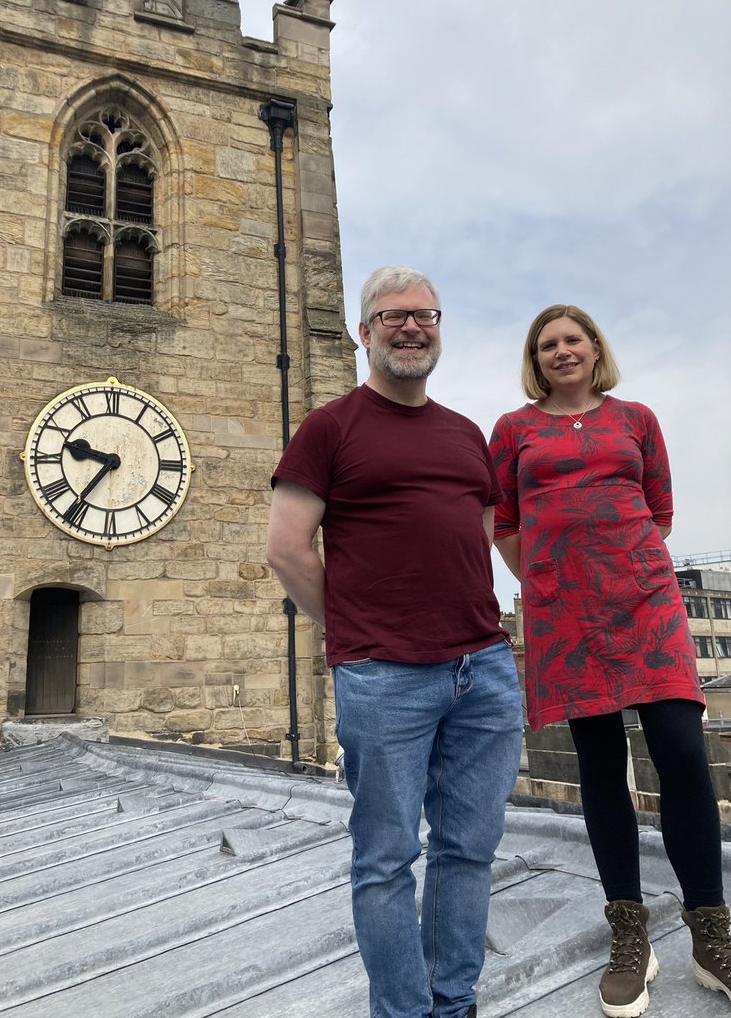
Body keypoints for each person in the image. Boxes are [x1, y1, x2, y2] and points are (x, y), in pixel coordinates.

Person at [266, 266, 523, 1018]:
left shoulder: (465, 433)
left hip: (483, 669)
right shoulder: (329, 428)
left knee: (467, 852)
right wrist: (354, 634)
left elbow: (477, 541)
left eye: (424, 315)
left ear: (439, 326)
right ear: (364, 331)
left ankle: (453, 1003)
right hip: (384, 678)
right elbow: (287, 550)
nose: (410, 328)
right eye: (392, 317)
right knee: (385, 861)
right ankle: (405, 1012)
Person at [489, 303, 731, 1018]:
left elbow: (659, 510)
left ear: (595, 348)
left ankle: (711, 933)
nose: (562, 351)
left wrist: (626, 563)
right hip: (565, 613)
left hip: (646, 603)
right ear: (536, 361)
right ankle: (630, 934)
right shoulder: (513, 430)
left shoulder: (638, 419)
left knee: (683, 754)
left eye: (573, 339)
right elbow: (505, 522)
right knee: (599, 767)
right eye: (547, 344)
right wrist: (547, 578)